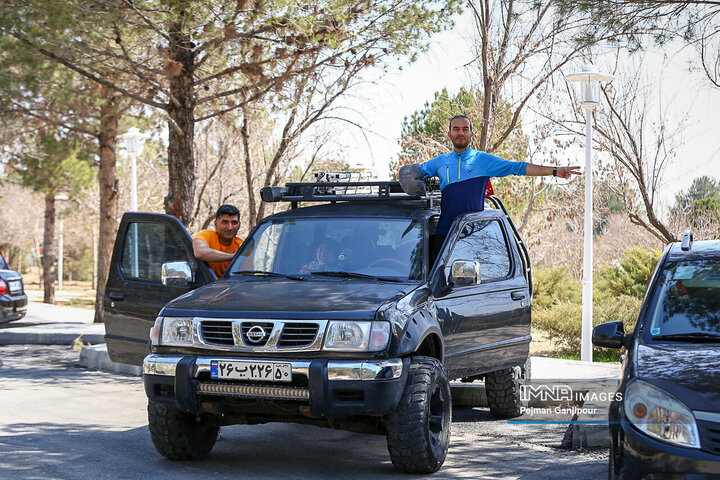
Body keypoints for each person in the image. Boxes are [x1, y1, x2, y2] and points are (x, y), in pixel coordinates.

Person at [418, 114, 581, 257]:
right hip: (444, 237)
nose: (461, 133)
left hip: (473, 238)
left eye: (465, 129)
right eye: (456, 129)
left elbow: (517, 167)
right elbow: (413, 173)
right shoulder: (440, 162)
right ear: (449, 134)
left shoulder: (482, 160)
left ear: (471, 134)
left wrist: (554, 171)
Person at [193, 204, 243, 278]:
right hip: (206, 287)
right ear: (216, 224)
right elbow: (200, 252)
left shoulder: (241, 245)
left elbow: (247, 274)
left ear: (239, 225)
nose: (230, 227)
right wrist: (234, 256)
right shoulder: (206, 235)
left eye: (234, 223)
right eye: (225, 222)